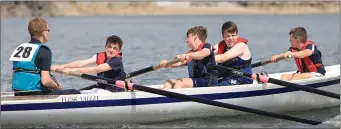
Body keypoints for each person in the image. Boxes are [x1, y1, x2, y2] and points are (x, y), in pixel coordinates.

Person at [51, 35, 127, 92]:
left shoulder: (117, 61)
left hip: (115, 91)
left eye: (115, 48)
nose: (111, 50)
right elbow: (81, 63)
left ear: (119, 51)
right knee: (75, 92)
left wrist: (70, 70)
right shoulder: (100, 56)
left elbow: (95, 69)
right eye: (109, 47)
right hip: (101, 89)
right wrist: (61, 66)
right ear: (105, 47)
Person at [9, 17, 63, 93]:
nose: (49, 32)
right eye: (48, 30)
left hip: (18, 92)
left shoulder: (20, 48)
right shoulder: (43, 50)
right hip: (35, 93)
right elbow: (45, 81)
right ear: (44, 33)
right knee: (74, 92)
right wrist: (57, 86)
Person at [213, 21, 253, 86]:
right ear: (223, 37)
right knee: (206, 81)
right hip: (228, 77)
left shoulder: (241, 46)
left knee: (215, 85)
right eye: (228, 36)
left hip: (242, 79)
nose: (230, 38)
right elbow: (208, 51)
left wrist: (206, 59)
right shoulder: (220, 45)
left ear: (237, 36)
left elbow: (224, 57)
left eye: (233, 35)